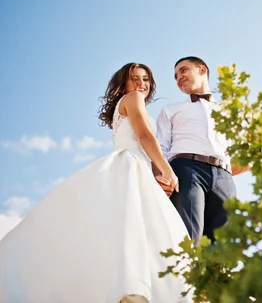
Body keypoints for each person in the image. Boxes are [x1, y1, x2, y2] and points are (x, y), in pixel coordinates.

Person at [0, 63, 192, 303]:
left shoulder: (129, 102)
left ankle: (132, 289)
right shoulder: (132, 98)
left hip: (140, 167)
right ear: (124, 84)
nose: (142, 84)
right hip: (130, 165)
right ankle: (133, 289)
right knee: (136, 228)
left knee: (135, 229)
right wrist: (167, 169)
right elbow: (145, 136)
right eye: (135, 79)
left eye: (146, 79)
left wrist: (156, 174)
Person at [156, 56, 242, 246]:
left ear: (202, 70)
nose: (179, 77)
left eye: (183, 70)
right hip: (186, 170)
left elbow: (245, 151)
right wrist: (163, 177)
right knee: (188, 239)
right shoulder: (171, 110)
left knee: (222, 246)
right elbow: (161, 147)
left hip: (225, 177)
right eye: (176, 76)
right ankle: (185, 275)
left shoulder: (229, 111)